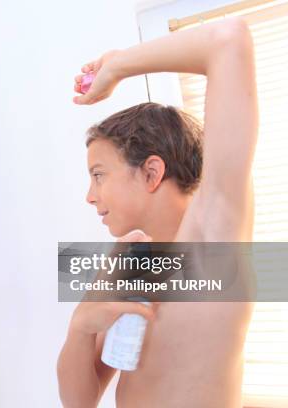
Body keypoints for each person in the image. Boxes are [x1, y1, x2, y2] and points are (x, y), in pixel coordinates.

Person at [57, 17, 258, 408]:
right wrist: (81, 326)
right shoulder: (134, 268)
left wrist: (117, 65)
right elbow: (79, 402)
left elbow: (228, 39)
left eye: (99, 176)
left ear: (151, 172)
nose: (89, 195)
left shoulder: (213, 236)